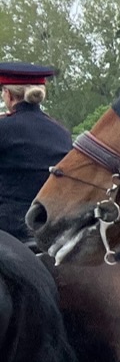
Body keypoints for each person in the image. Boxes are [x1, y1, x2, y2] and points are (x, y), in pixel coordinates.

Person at [0, 62, 71, 241]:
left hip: (9, 228)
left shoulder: (4, 127)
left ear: (8, 94)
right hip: (53, 224)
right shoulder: (61, 130)